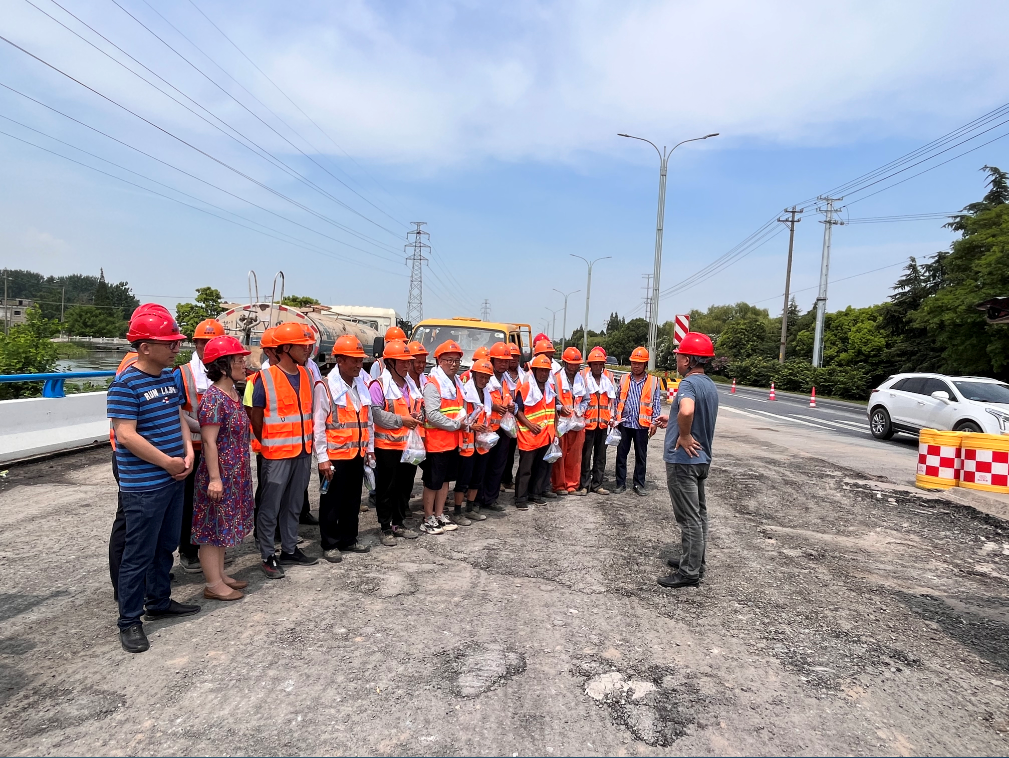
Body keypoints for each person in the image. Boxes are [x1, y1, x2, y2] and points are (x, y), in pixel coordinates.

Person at [107, 307, 198, 654]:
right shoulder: (125, 385)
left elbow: (178, 417)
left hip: (173, 477)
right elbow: (126, 435)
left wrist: (187, 453)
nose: (176, 348)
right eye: (169, 343)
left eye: (177, 342)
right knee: (138, 553)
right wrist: (167, 462)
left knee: (165, 545)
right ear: (145, 347)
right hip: (145, 485)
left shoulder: (168, 377)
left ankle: (159, 601)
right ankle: (129, 620)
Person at [249, 322, 318, 578]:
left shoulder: (307, 375)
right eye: (302, 345)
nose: (308, 349)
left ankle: (289, 549)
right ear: (286, 348)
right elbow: (256, 418)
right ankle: (268, 554)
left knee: (294, 504)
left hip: (302, 451)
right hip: (277, 454)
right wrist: (270, 441)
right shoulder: (265, 378)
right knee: (270, 506)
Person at [108, 304, 167, 600]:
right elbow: (126, 431)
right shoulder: (132, 370)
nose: (173, 346)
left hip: (150, 460)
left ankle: (150, 590)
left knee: (148, 532)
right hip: (134, 462)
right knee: (132, 530)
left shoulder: (158, 370)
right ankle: (126, 590)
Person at [192, 336, 255, 601]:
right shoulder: (214, 399)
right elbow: (209, 441)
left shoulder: (233, 394)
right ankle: (213, 584)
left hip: (235, 473)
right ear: (223, 366)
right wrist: (215, 479)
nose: (244, 364)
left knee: (223, 526)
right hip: (219, 474)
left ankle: (219, 575)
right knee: (212, 528)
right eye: (239, 360)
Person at [655, 332, 719, 589]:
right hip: (701, 460)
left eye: (679, 356)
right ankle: (695, 561)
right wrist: (672, 421)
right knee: (699, 514)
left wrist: (683, 435)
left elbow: (688, 410)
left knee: (688, 518)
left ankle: (689, 572)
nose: (677, 360)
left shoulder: (688, 384)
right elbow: (692, 414)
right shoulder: (709, 385)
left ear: (689, 360)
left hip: (684, 461)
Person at [313, 336, 375, 560]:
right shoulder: (326, 387)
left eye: (360, 360)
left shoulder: (361, 385)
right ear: (339, 360)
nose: (359, 365)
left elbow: (368, 420)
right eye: (354, 360)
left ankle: (349, 539)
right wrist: (322, 458)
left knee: (352, 500)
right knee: (331, 502)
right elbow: (318, 425)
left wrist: (370, 449)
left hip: (357, 453)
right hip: (334, 456)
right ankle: (330, 543)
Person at [174, 318, 225, 574]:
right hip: (192, 449)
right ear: (195, 344)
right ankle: (188, 550)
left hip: (215, 449)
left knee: (212, 502)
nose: (207, 347)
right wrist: (201, 428)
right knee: (189, 503)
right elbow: (176, 412)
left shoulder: (224, 372)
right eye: (203, 342)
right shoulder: (182, 373)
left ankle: (210, 551)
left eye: (213, 342)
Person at [369, 340, 422, 545]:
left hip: (408, 446)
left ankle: (398, 523)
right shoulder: (379, 385)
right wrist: (402, 420)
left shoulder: (411, 385)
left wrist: (417, 416)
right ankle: (385, 527)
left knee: (404, 487)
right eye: (402, 362)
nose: (407, 365)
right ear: (390, 363)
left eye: (408, 361)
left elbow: (416, 407)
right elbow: (376, 414)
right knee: (386, 489)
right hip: (388, 447)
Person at [420, 340, 466, 534]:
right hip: (436, 443)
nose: (454, 364)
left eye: (456, 360)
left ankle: (439, 514)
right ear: (439, 361)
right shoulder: (433, 384)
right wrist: (456, 424)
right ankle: (428, 517)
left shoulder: (456, 383)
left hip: (451, 442)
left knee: (445, 481)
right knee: (433, 483)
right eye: (449, 360)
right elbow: (432, 415)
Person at [614, 347, 662, 496]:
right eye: (634, 363)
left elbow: (656, 403)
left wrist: (654, 422)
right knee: (621, 455)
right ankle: (620, 483)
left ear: (645, 364)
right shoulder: (624, 379)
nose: (636, 366)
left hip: (642, 425)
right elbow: (617, 400)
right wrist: (615, 419)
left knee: (641, 456)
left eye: (639, 363)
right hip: (625, 423)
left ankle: (639, 484)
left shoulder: (653, 381)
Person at [452, 358, 494, 524]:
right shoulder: (465, 393)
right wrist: (472, 426)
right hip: (467, 442)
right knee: (463, 479)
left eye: (487, 377)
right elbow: (459, 417)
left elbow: (487, 416)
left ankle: (470, 509)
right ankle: (457, 511)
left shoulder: (486, 394)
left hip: (481, 443)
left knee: (477, 477)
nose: (484, 380)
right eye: (481, 376)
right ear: (474, 375)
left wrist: (486, 429)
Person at [514, 354, 557, 509]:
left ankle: (535, 494)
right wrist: (530, 425)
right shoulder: (525, 388)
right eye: (541, 370)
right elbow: (517, 410)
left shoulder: (550, 389)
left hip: (546, 435)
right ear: (535, 371)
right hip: (529, 436)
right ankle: (520, 498)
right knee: (525, 469)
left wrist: (555, 432)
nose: (544, 373)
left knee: (541, 468)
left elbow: (553, 411)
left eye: (546, 371)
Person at [477, 342, 516, 513]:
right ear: (491, 360)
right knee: (482, 465)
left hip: (503, 430)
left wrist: (512, 406)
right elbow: (476, 398)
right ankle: (477, 499)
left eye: (506, 361)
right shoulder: (484, 376)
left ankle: (491, 499)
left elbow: (509, 398)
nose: (503, 364)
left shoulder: (506, 380)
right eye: (499, 361)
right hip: (486, 429)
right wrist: (493, 406)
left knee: (498, 465)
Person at [577, 346, 617, 496]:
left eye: (600, 364)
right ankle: (584, 485)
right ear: (590, 365)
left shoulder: (608, 380)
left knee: (601, 457)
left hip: (603, 425)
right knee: (585, 457)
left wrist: (612, 418)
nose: (598, 367)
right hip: (588, 425)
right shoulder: (584, 379)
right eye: (595, 364)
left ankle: (597, 484)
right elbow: (579, 401)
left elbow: (612, 402)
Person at [551, 347, 588, 496]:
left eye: (576, 365)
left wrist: (581, 409)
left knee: (575, 456)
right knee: (559, 455)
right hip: (561, 423)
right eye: (571, 364)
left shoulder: (581, 379)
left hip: (577, 423)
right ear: (565, 363)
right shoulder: (556, 378)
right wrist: (560, 408)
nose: (573, 368)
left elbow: (586, 399)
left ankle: (572, 485)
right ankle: (559, 485)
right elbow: (551, 400)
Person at [500, 342, 523, 490]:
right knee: (501, 451)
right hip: (502, 417)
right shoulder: (501, 375)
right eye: (511, 356)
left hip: (517, 417)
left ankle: (507, 479)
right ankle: (499, 480)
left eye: (516, 357)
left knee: (512, 449)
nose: (514, 359)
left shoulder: (524, 375)